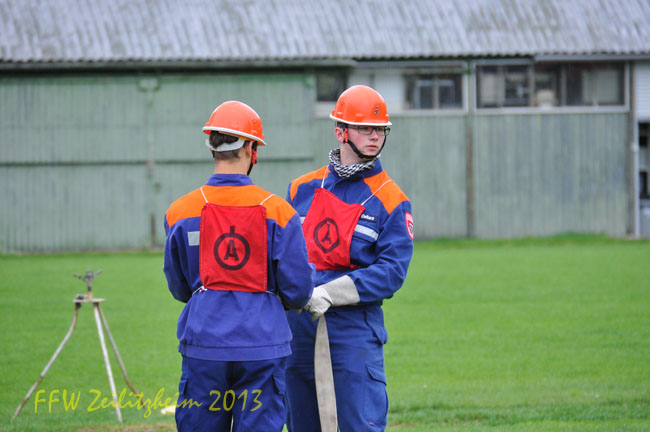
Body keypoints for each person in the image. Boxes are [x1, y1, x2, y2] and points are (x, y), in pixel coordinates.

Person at [163, 101, 314, 431]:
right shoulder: (279, 212)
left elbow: (178, 286)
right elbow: (299, 290)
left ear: (212, 147)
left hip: (204, 344)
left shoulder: (180, 211)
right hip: (263, 345)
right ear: (250, 149)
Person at [285, 85, 414, 431]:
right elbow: (282, 257)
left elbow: (391, 272)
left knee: (359, 424)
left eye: (381, 130)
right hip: (298, 330)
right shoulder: (300, 189)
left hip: (354, 332)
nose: (375, 136)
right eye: (365, 128)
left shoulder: (392, 200)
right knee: (301, 425)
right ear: (341, 131)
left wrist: (330, 293)